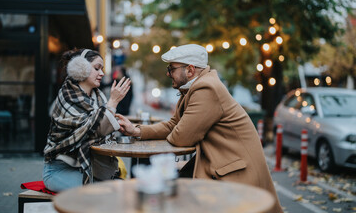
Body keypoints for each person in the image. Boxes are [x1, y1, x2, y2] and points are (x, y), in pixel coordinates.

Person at [117, 44, 283, 212]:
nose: (168, 73)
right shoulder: (191, 89)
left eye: (171, 68)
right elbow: (174, 125)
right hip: (221, 165)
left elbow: (182, 137)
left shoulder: (206, 88)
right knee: (176, 192)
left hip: (236, 172)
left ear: (190, 70)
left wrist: (177, 131)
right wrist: (136, 130)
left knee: (177, 196)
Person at [43, 48, 131, 192]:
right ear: (80, 69)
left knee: (123, 187)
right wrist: (113, 102)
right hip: (58, 172)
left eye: (102, 69)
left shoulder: (98, 97)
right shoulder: (67, 96)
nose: (102, 73)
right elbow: (94, 131)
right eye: (97, 68)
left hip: (85, 168)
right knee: (109, 191)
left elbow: (98, 125)